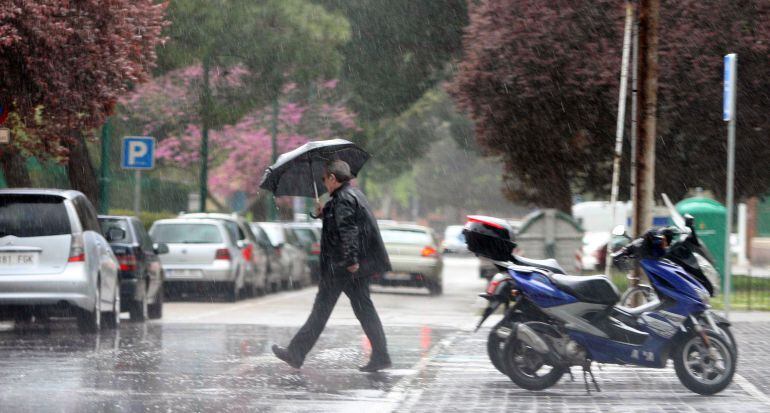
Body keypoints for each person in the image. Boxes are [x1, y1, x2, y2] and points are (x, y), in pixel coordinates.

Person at [272, 159, 392, 372]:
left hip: (341, 267)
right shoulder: (352, 195)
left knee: (322, 310)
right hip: (351, 266)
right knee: (364, 310)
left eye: (325, 179)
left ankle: (295, 353)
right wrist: (324, 213)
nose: (324, 184)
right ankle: (381, 356)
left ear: (333, 179)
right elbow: (344, 225)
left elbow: (349, 230)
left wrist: (351, 260)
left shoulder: (343, 199)